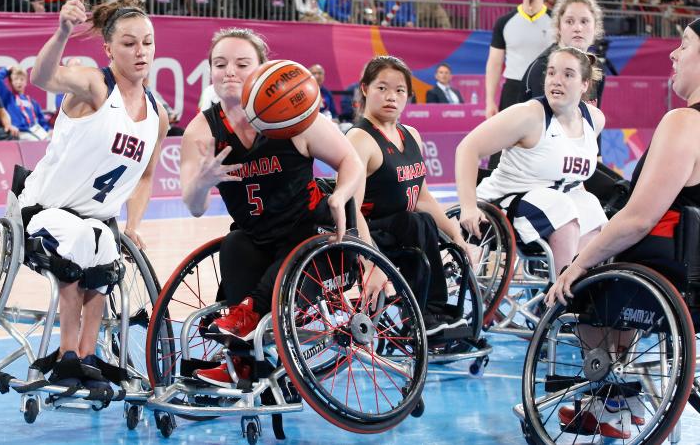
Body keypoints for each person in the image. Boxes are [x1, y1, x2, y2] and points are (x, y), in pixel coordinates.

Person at [180, 27, 382, 388]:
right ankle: (242, 362)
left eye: (242, 64)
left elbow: (351, 161)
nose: (229, 72)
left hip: (314, 236)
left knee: (289, 259)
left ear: (261, 69)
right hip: (259, 239)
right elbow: (194, 207)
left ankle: (248, 315)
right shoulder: (202, 131)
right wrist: (203, 181)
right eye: (219, 63)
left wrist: (339, 195)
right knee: (235, 245)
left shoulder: (293, 115)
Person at [545, 21, 700, 438]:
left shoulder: (685, 122)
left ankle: (610, 397)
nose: (673, 54)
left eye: (684, 45)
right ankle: (618, 397)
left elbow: (638, 219)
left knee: (587, 278)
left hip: (671, 273)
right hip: (686, 274)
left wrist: (577, 265)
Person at [20, 0, 168, 390]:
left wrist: (134, 224)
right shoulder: (93, 86)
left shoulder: (158, 113)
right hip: (43, 210)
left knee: (105, 249)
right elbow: (42, 77)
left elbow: (145, 177)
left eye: (148, 42)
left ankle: (87, 356)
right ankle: (66, 352)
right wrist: (63, 32)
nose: (141, 51)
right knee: (83, 241)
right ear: (108, 49)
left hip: (96, 219)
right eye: (129, 43)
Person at [456, 47, 607, 281]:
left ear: (584, 84)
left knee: (593, 208)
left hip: (553, 202)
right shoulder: (528, 115)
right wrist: (468, 206)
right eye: (551, 73)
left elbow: (575, 179)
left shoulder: (594, 120)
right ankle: (560, 294)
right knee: (562, 209)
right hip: (504, 202)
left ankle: (582, 291)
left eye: (568, 75)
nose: (556, 81)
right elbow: (467, 148)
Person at [348, 55, 469, 334]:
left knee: (421, 220)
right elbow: (350, 210)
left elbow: (423, 197)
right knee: (416, 222)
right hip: (369, 235)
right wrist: (370, 262)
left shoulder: (411, 134)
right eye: (382, 88)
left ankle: (437, 314)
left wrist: (456, 235)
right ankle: (423, 315)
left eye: (400, 90)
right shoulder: (359, 139)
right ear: (365, 89)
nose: (391, 96)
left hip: (402, 232)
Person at [485, 0, 552, 169]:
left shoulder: (556, 21)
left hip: (544, 89)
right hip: (513, 89)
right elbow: (494, 62)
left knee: (544, 140)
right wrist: (489, 100)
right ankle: (493, 183)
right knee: (501, 141)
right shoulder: (505, 22)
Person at [520, 0, 605, 106]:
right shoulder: (544, 66)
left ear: (595, 28)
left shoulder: (596, 67)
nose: (577, 28)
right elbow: (544, 121)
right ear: (559, 27)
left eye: (584, 21)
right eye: (569, 21)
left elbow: (592, 119)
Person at [0, 66, 52, 141]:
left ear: (26, 82)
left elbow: (41, 120)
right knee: (35, 142)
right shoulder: (7, 97)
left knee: (52, 141)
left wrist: (48, 130)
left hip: (36, 132)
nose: (19, 82)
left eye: (21, 79)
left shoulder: (32, 102)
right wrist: (7, 70)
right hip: (19, 132)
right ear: (10, 82)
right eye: (16, 79)